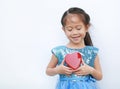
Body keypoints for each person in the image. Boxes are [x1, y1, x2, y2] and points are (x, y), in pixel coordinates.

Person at [46, 7, 103, 89]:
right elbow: (48, 71)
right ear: (64, 30)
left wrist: (90, 70)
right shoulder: (59, 51)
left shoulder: (92, 52)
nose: (74, 32)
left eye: (78, 28)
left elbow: (99, 76)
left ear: (87, 27)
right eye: (70, 29)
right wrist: (58, 70)